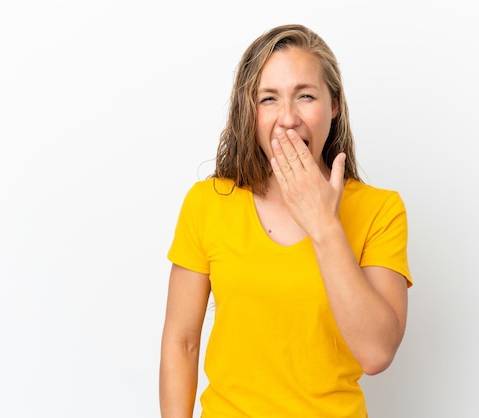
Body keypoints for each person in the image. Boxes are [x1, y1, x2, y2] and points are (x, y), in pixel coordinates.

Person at [159, 23, 412, 417]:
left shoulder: (381, 210)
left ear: (334, 105)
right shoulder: (207, 203)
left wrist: (324, 225)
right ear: (250, 111)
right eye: (269, 99)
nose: (288, 118)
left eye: (305, 95)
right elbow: (182, 341)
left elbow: (376, 353)